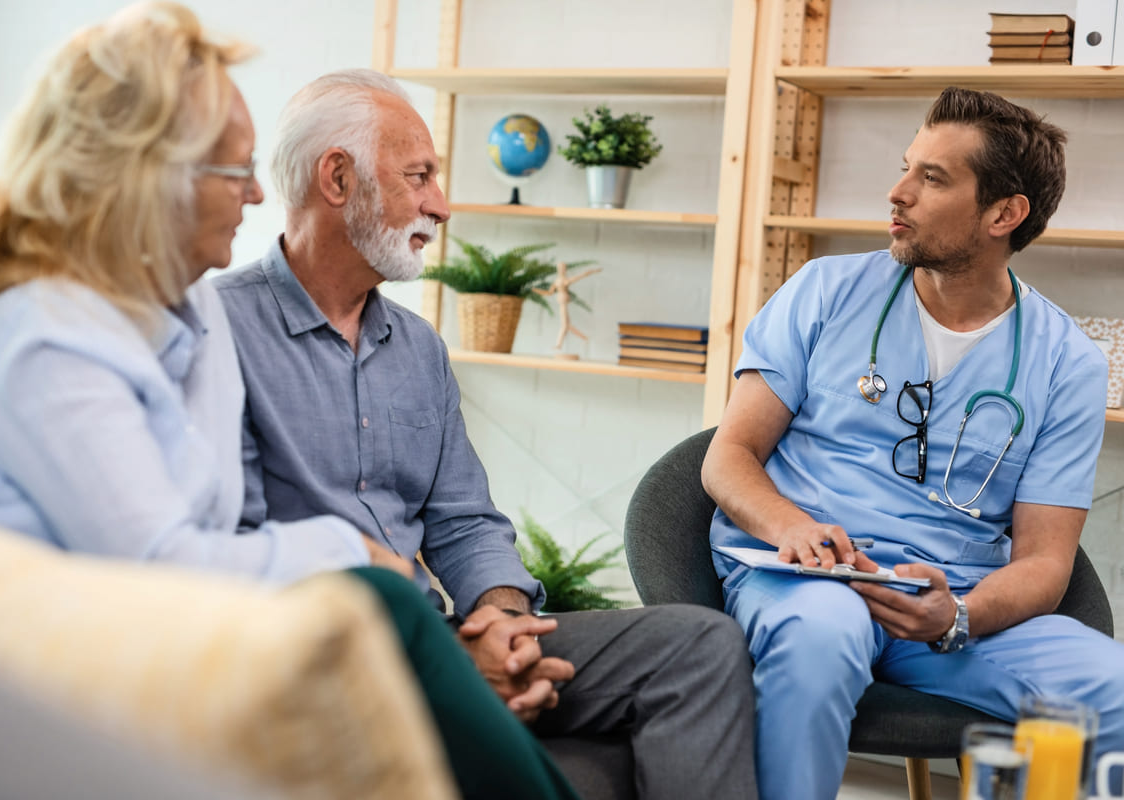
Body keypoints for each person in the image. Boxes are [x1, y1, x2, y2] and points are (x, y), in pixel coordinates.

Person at [0, 5, 583, 798]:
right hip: (45, 673)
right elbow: (156, 566)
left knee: (388, 615)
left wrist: (489, 614)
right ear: (152, 178)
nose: (258, 192)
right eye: (235, 172)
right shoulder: (41, 337)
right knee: (379, 602)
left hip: (174, 632)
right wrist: (354, 551)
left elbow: (216, 523)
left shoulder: (186, 310)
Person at [213, 68, 758, 800]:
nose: (440, 204)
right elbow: (235, 550)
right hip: (327, 655)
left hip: (445, 638)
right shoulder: (216, 333)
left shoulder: (418, 348)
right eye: (419, 177)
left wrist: (503, 624)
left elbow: (464, 521)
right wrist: (444, 662)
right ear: (337, 178)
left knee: (700, 647)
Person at [703, 86, 1124, 799]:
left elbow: (1045, 561)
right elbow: (729, 456)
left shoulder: (1068, 363)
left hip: (950, 602)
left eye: (932, 177)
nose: (897, 193)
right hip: (808, 577)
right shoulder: (824, 291)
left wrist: (959, 615)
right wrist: (793, 528)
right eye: (907, 167)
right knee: (819, 643)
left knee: (1112, 690)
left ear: (1004, 214)